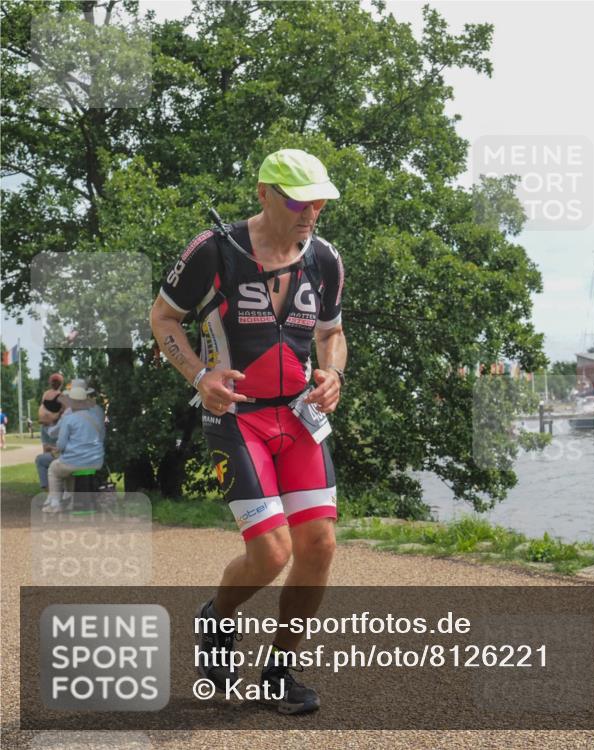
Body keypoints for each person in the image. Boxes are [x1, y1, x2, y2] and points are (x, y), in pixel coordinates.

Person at [149, 148, 346, 715]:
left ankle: (280, 672)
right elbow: (162, 318)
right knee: (271, 551)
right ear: (264, 193)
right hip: (237, 418)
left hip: (300, 418)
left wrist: (332, 372)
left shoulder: (325, 259)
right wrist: (199, 373)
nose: (310, 212)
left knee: (320, 546)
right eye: (298, 201)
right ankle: (216, 615)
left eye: (319, 203)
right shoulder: (214, 250)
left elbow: (333, 333)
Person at [42, 379, 105, 513]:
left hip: (77, 461)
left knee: (54, 469)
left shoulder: (69, 418)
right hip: (97, 460)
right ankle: (71, 501)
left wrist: (56, 449)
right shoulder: (96, 413)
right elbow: (101, 437)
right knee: (69, 468)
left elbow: (61, 444)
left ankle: (55, 504)